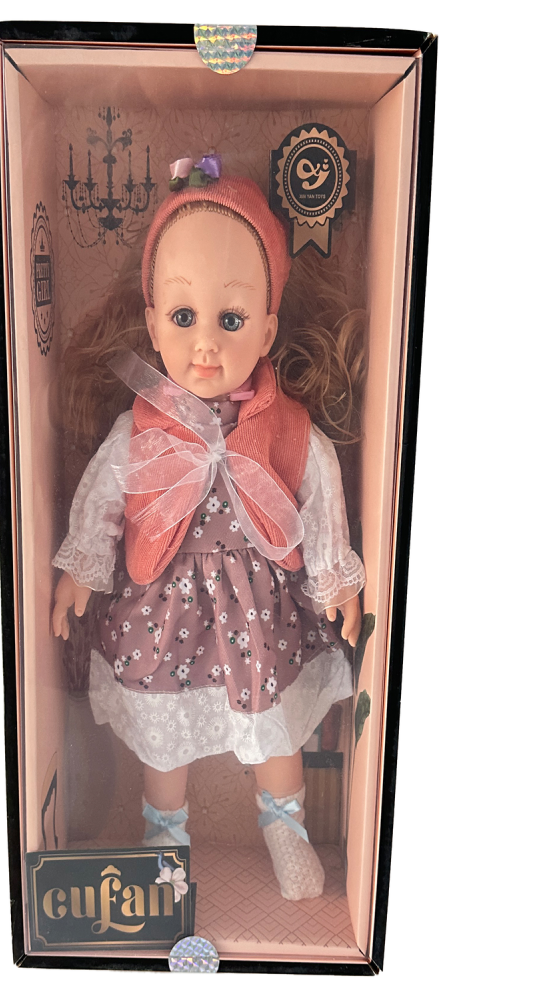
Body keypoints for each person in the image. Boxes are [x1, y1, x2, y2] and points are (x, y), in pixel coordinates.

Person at [51, 162, 365, 901]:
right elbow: (105, 494)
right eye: (184, 316)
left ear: (267, 328)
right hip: (163, 603)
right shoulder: (142, 426)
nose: (205, 344)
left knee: (273, 723)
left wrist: (334, 574)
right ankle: (165, 839)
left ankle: (284, 824)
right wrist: (81, 568)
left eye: (230, 320)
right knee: (164, 734)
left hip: (258, 607)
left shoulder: (283, 423)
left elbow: (318, 487)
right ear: (152, 320)